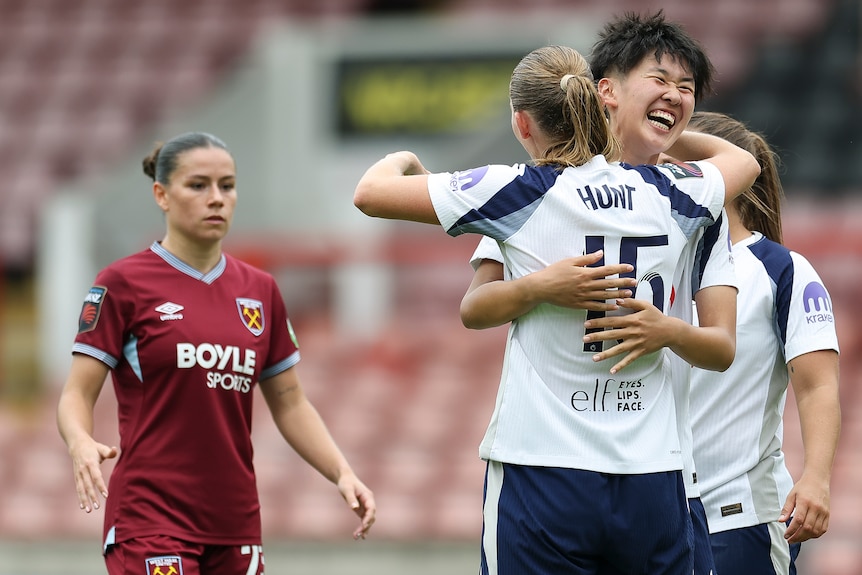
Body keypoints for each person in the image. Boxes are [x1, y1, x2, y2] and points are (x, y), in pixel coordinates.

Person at [353, 45, 759, 574]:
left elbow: (370, 193)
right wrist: (661, 126)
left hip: (541, 467)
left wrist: (403, 158)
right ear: (596, 102)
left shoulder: (515, 193)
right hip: (650, 472)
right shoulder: (673, 194)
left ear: (523, 124)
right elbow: (744, 162)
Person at [460, 11, 735, 575]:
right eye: (660, 81)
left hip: (660, 468)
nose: (675, 98)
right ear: (603, 91)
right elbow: (476, 304)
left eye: (687, 90)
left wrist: (668, 331)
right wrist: (540, 287)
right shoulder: (539, 190)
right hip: (551, 465)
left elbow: (721, 346)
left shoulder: (696, 205)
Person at [57, 132, 376, 575]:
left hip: (236, 523)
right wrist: (80, 442)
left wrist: (341, 471)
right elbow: (76, 393)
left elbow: (289, 401)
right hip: (151, 518)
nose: (216, 198)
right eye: (198, 185)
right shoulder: (123, 282)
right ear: (161, 195)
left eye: (227, 185)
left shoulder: (260, 290)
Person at [684, 111, 841, 574]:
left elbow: (817, 385)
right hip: (656, 514)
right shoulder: (655, 263)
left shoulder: (782, 270)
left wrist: (816, 477)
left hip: (740, 514)